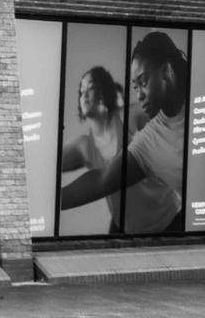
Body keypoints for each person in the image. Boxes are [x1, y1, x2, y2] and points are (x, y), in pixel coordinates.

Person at [60, 34, 186, 234]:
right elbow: (101, 180)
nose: (139, 94)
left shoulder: (133, 116)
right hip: (125, 228)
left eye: (143, 82)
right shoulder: (146, 142)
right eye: (135, 87)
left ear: (166, 70)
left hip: (167, 221)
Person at [59, 65, 125, 231]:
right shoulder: (85, 146)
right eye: (81, 92)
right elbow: (46, 162)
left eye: (91, 88)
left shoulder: (127, 119)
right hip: (121, 226)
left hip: (167, 221)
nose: (84, 95)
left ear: (104, 92)